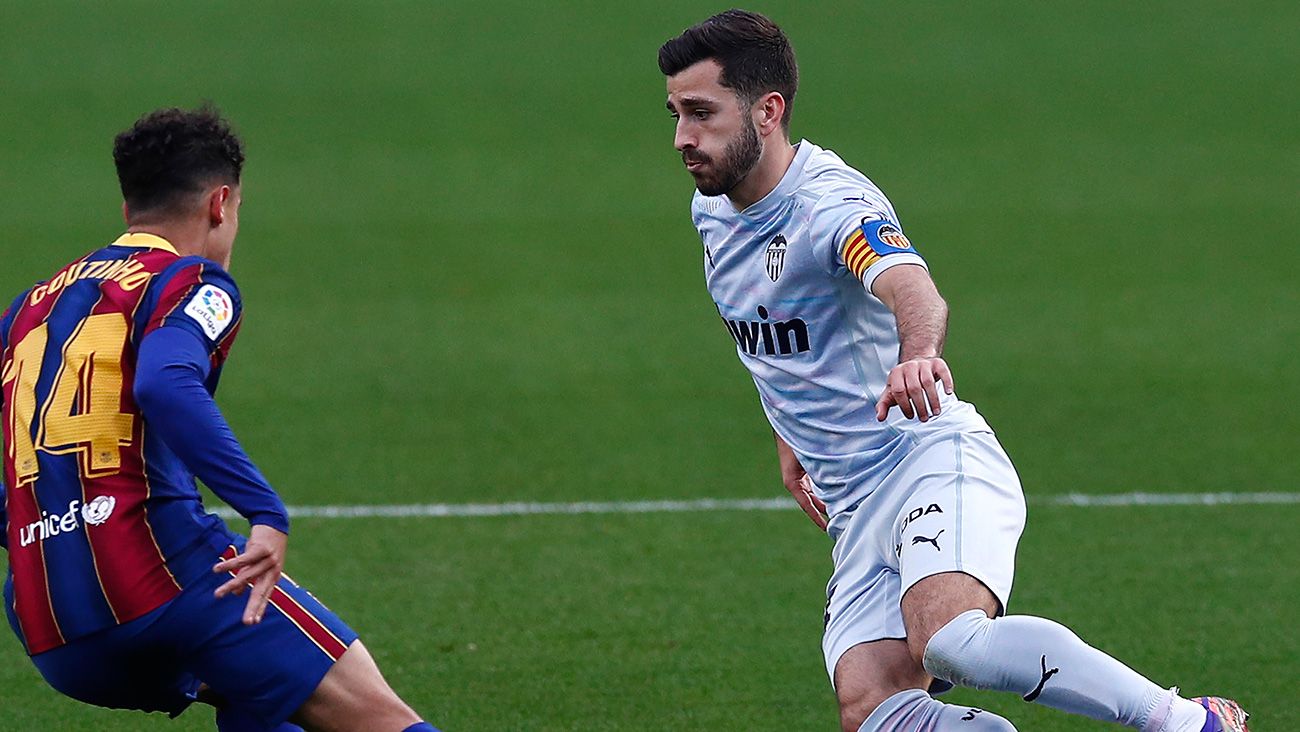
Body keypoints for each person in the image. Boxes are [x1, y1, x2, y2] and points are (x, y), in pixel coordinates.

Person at [659, 10, 1248, 732]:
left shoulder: (832, 206)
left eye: (700, 113)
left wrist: (918, 357)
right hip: (853, 503)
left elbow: (912, 287)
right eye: (676, 114)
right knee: (874, 709)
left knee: (950, 639)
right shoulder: (713, 208)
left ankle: (1192, 723)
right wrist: (791, 438)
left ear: (768, 110)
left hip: (928, 458)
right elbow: (780, 333)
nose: (684, 137)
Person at [0, 106, 438, 732]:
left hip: (53, 628)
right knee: (377, 714)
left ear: (129, 211)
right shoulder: (189, 280)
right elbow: (164, 381)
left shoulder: (27, 310)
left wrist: (33, 525)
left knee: (261, 699)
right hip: (164, 583)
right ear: (220, 202)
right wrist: (264, 510)